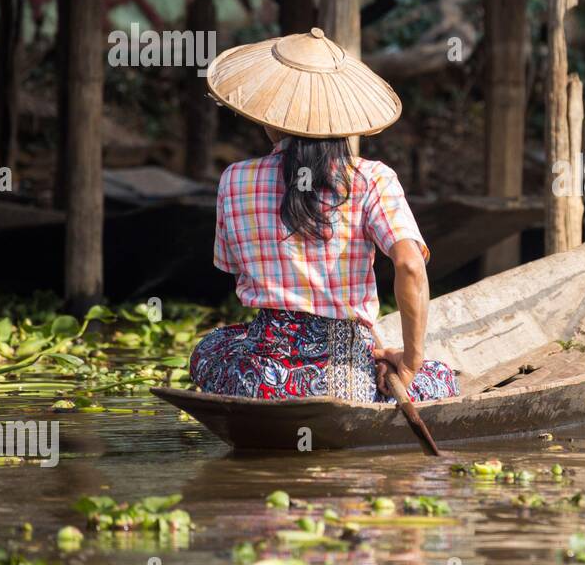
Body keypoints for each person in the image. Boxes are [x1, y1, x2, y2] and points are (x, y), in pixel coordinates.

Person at [187, 27, 458, 405]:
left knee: (210, 347)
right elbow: (411, 266)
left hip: (262, 381)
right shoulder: (372, 178)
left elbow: (233, 266)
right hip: (348, 384)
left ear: (269, 115)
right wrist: (410, 362)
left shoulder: (234, 179)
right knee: (443, 376)